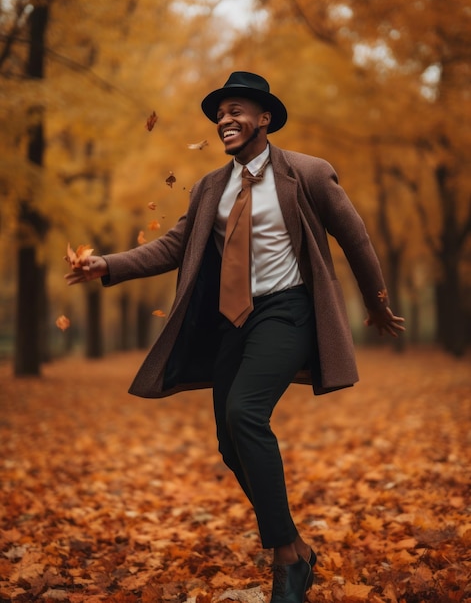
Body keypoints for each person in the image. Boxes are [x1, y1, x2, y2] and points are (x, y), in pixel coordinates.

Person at [65, 71, 405, 603]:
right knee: (230, 442)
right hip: (233, 321)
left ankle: (286, 563)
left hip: (288, 310)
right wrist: (107, 264)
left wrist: (378, 303)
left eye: (237, 110)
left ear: (264, 117)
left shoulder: (308, 174)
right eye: (220, 113)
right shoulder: (210, 188)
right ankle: (294, 546)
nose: (226, 119)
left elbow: (355, 236)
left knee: (246, 414)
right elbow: (173, 246)